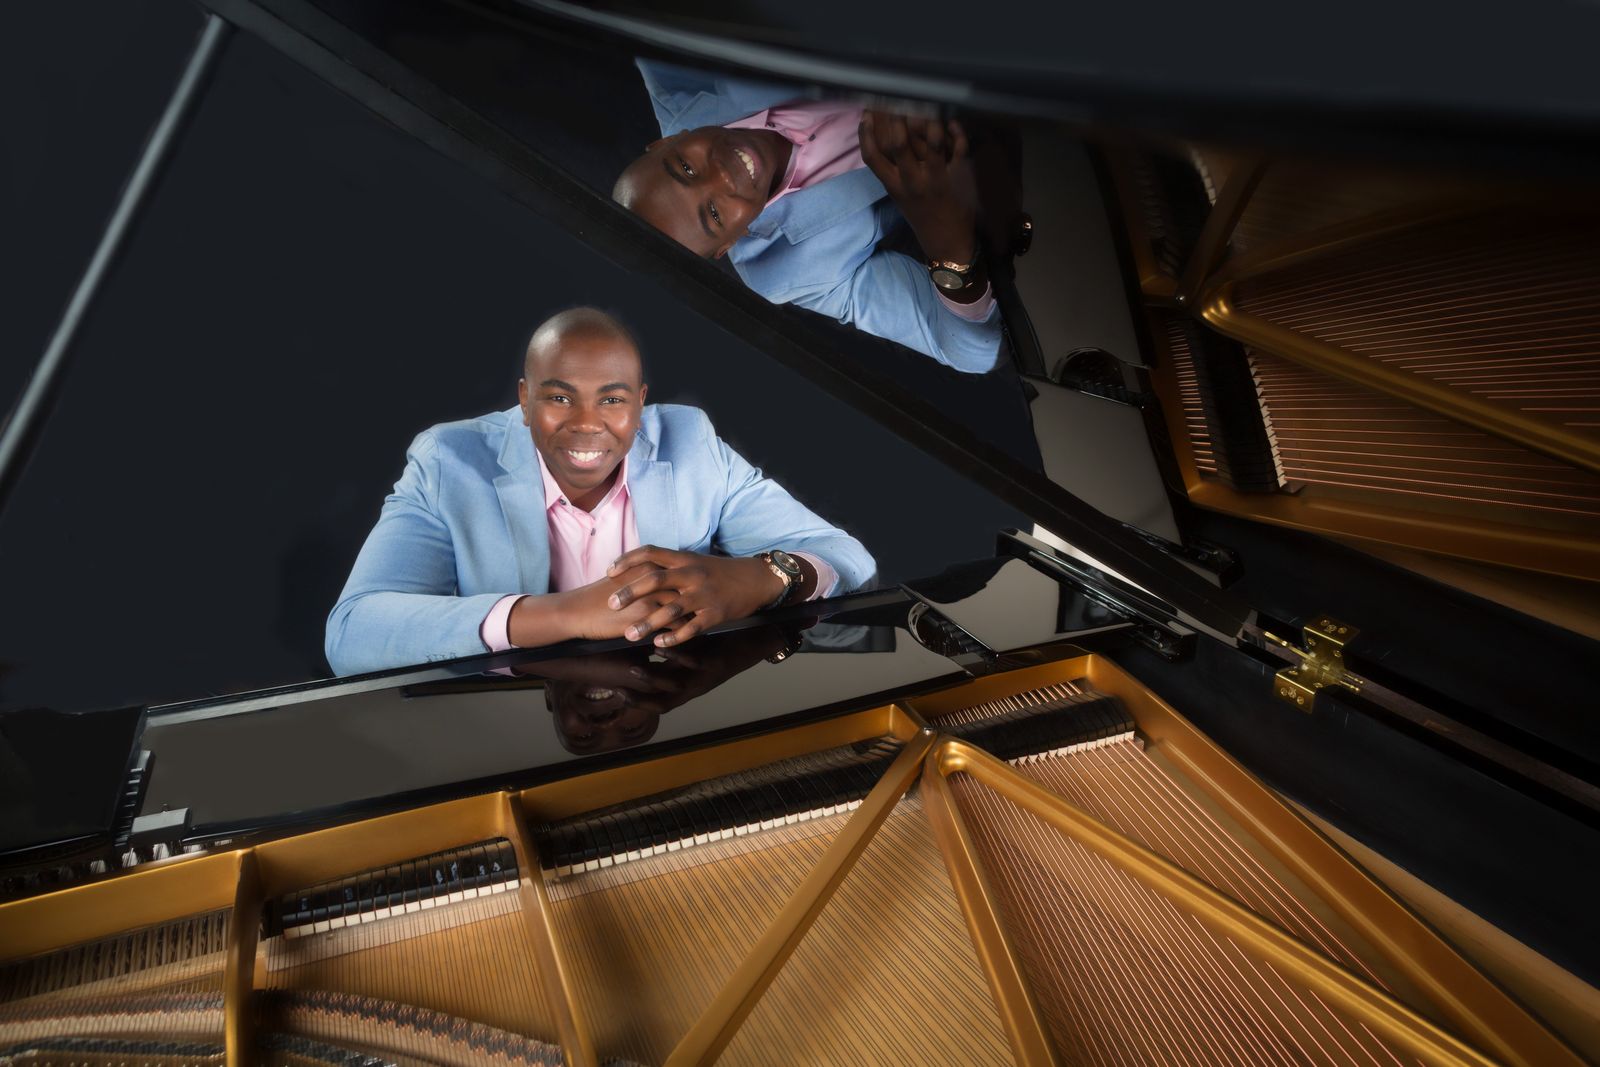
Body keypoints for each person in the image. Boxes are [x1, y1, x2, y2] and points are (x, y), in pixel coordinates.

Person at [325, 307, 875, 676]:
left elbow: (846, 556)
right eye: (559, 398)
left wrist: (759, 577)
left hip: (672, 709)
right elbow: (353, 633)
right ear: (524, 399)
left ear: (640, 401)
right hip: (507, 735)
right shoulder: (449, 461)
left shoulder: (690, 442)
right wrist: (564, 614)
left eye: (612, 400)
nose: (587, 423)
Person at [612, 59, 1002, 374]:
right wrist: (944, 240)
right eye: (713, 214)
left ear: (668, 140)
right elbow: (972, 351)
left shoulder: (674, 70)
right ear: (728, 244)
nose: (722, 177)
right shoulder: (788, 271)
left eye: (685, 167)